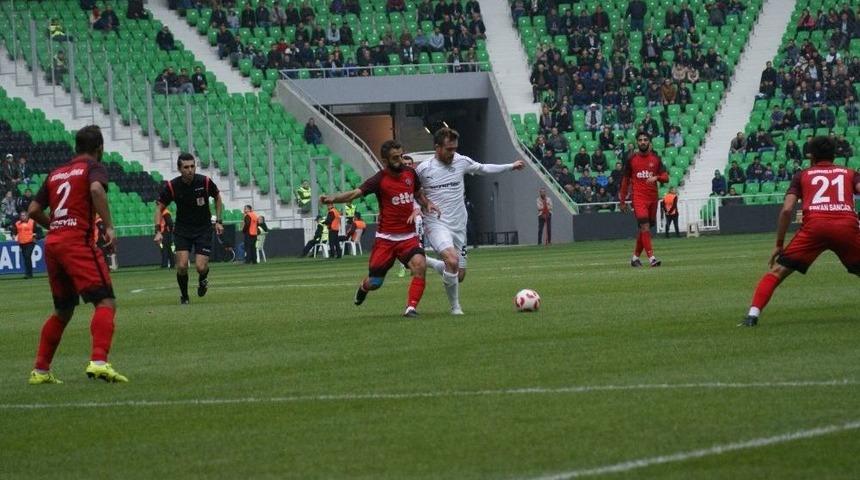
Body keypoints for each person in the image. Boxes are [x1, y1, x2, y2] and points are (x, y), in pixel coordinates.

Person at [26, 125, 127, 384]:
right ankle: (99, 361)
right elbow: (95, 190)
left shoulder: (55, 173)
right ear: (100, 149)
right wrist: (110, 227)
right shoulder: (93, 167)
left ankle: (40, 370)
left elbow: (33, 210)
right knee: (105, 302)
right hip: (77, 244)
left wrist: (56, 226)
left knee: (63, 310)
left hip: (53, 245)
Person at [741, 136, 860, 327]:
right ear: (834, 154)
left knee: (777, 271)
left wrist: (779, 244)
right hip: (846, 226)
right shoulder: (849, 173)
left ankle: (752, 316)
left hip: (815, 228)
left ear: (811, 156)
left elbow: (787, 210)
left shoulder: (802, 176)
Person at [319, 139, 438, 317]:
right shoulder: (379, 180)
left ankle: (411, 308)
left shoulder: (410, 174)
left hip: (408, 237)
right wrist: (332, 199)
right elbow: (354, 194)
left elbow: (418, 194)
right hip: (386, 240)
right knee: (375, 282)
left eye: (400, 155)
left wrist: (427, 204)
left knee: (419, 265)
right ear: (385, 161)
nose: (399, 160)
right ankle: (363, 288)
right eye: (395, 158)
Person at [415, 128, 525, 314]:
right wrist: (424, 204)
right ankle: (455, 308)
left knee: (459, 274)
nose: (453, 153)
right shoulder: (423, 169)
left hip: (459, 224)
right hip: (436, 222)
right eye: (449, 149)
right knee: (452, 260)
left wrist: (510, 166)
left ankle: (430, 262)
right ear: (437, 148)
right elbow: (413, 191)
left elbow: (483, 168)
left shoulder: (461, 161)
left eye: (455, 148)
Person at [153, 153, 224, 305]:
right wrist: (158, 230)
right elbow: (159, 207)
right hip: (182, 230)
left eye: (192, 166)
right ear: (179, 169)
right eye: (186, 167)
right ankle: (184, 296)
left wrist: (219, 221)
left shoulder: (204, 181)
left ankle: (203, 279)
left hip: (203, 228)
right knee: (182, 266)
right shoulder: (172, 186)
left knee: (200, 267)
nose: (190, 170)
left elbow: (217, 197)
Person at [619, 132, 669, 267]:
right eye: (640, 140)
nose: (642, 142)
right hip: (639, 198)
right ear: (637, 142)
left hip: (653, 199)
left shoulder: (656, 159)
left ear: (649, 142)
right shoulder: (631, 159)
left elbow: (666, 177)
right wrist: (622, 201)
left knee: (645, 229)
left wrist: (656, 177)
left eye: (645, 140)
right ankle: (652, 258)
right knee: (645, 226)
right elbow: (625, 181)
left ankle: (635, 258)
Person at [12, 211, 38, 278]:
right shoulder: (17, 223)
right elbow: (14, 231)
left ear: (27, 216)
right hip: (22, 243)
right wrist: (13, 235)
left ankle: (28, 274)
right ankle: (29, 274)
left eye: (24, 215)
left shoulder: (32, 222)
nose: (22, 217)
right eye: (21, 215)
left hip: (30, 242)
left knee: (27, 256)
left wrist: (35, 237)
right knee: (26, 258)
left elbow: (37, 231)